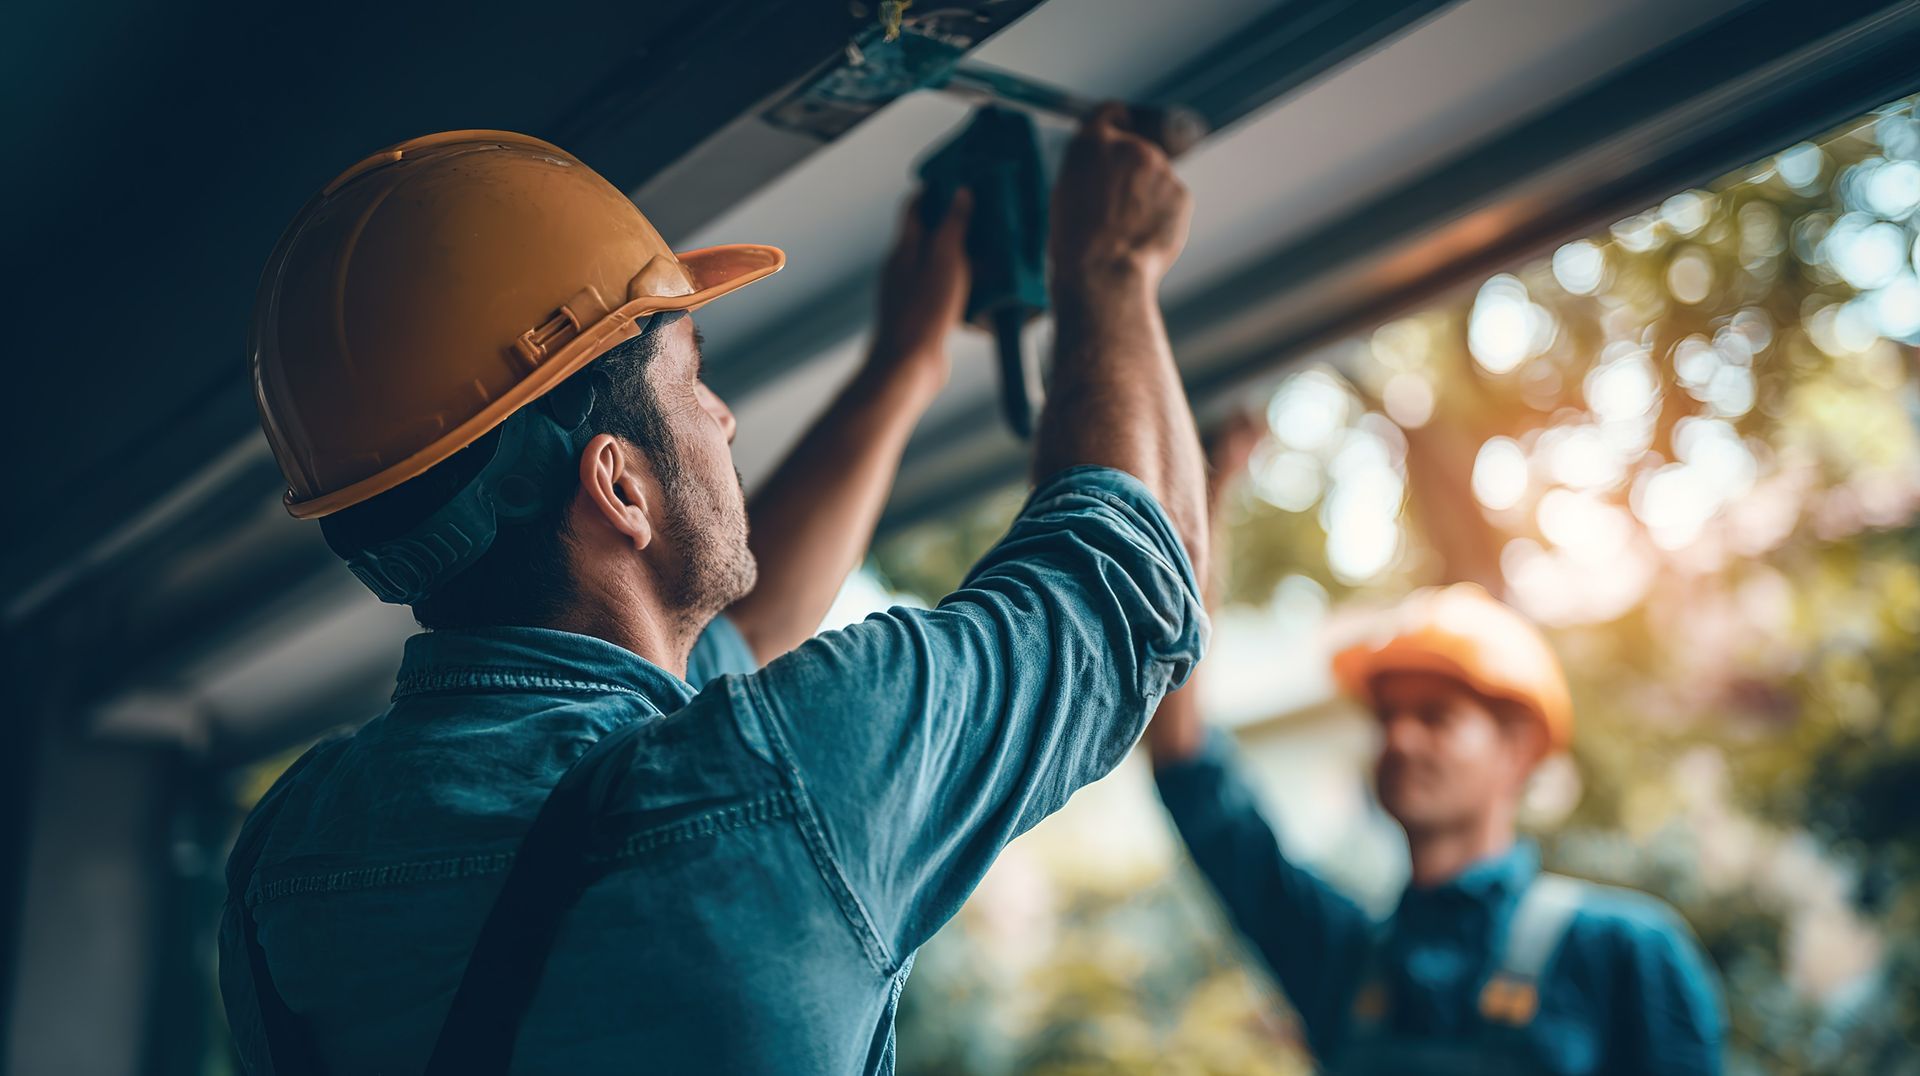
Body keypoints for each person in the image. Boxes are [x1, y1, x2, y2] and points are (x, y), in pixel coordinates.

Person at [220, 111, 1209, 1074]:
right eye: (693, 377)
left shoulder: (290, 846)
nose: (724, 418)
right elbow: (1134, 586)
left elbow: (733, 654)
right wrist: (1112, 267)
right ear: (619, 486)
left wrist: (905, 366)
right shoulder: (773, 777)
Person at [1147, 421, 1723, 1075]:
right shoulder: (1341, 959)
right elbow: (1190, 773)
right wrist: (1209, 489)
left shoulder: (1627, 955)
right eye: (1387, 716)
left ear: (1518, 750)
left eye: (1436, 717)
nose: (1398, 737)